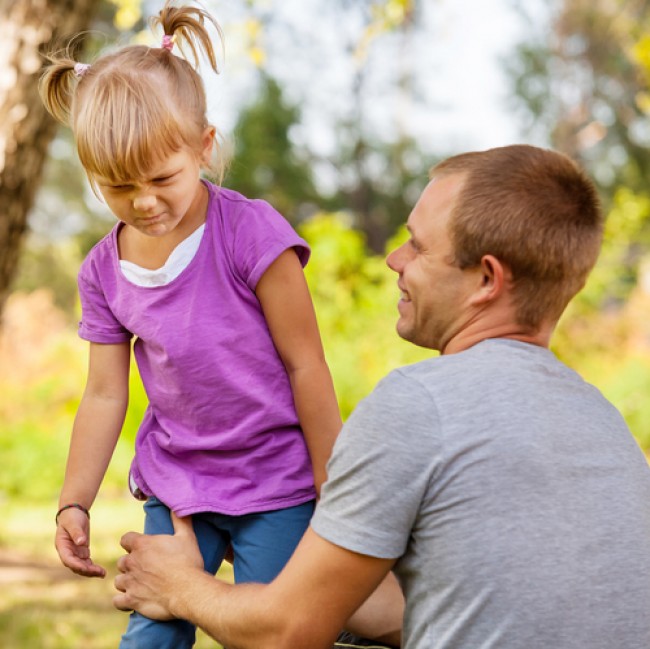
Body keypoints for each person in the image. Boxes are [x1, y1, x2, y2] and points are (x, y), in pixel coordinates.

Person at [114, 144, 650, 649]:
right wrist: (270, 551)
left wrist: (177, 584)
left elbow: (287, 635)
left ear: (487, 279)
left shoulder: (419, 404)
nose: (394, 259)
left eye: (417, 245)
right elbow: (451, 610)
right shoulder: (604, 421)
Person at [39, 3, 350, 647]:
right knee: (151, 636)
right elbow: (104, 393)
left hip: (277, 482)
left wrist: (334, 488)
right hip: (178, 487)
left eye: (162, 178)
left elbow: (306, 365)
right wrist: (75, 500)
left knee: (275, 632)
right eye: (119, 187)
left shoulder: (249, 233)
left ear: (204, 147)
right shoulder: (103, 270)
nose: (145, 202)